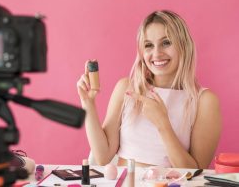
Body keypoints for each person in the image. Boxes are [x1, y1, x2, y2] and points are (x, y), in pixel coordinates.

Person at [76, 10, 221, 168]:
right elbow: (103, 156)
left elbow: (195, 174)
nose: (157, 53)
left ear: (183, 46)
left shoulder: (204, 101)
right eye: (149, 45)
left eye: (166, 43)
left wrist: (162, 124)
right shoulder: (126, 88)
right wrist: (88, 103)